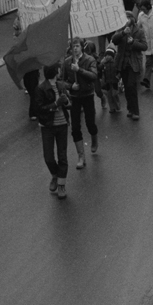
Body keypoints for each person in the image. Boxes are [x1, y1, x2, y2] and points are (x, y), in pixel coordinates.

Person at [34, 63, 70, 198]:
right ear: (56, 72)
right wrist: (56, 104)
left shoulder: (61, 86)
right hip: (47, 127)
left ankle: (61, 185)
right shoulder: (40, 89)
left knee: (62, 156)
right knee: (48, 157)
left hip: (62, 125)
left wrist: (66, 102)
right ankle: (55, 175)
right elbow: (39, 109)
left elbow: (69, 104)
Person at [61, 36, 98, 168]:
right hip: (75, 97)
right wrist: (71, 87)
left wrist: (79, 70)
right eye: (72, 46)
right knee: (75, 127)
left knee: (90, 124)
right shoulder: (66, 63)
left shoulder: (89, 60)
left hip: (87, 95)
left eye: (77, 46)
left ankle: (94, 137)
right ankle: (81, 156)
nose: (74, 49)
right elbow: (61, 81)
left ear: (82, 47)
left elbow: (94, 76)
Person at [112, 16, 147, 119]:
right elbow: (114, 40)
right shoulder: (120, 30)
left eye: (128, 20)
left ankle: (136, 111)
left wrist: (133, 43)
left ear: (132, 22)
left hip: (134, 63)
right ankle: (130, 109)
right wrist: (123, 33)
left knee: (131, 86)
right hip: (123, 63)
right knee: (127, 87)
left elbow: (144, 46)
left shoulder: (139, 32)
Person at [98, 44, 121, 113]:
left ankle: (117, 105)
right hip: (107, 81)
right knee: (109, 95)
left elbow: (119, 70)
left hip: (114, 81)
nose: (107, 57)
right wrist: (102, 63)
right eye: (106, 55)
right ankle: (112, 108)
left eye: (109, 55)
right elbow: (99, 68)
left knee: (115, 94)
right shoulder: (104, 63)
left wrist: (119, 77)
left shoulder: (115, 63)